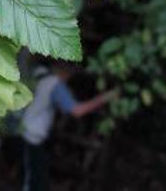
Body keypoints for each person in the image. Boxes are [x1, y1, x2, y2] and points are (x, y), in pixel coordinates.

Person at [20, 63, 117, 191]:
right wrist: (105, 97)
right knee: (35, 182)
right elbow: (77, 111)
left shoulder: (39, 73)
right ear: (67, 73)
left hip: (23, 130)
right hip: (33, 136)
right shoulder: (56, 85)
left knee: (32, 175)